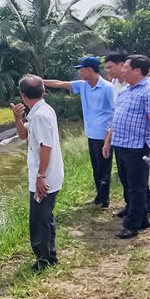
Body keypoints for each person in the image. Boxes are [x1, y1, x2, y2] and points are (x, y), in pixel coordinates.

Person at [103, 55, 150, 239]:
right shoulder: (125, 91)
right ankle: (140, 216)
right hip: (121, 144)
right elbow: (116, 117)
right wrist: (108, 141)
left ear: (137, 70)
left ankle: (132, 225)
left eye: (126, 67)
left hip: (137, 146)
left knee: (137, 186)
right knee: (127, 182)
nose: (122, 71)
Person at [11, 75, 65, 270]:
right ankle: (50, 255)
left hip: (45, 178)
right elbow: (23, 135)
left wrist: (40, 177)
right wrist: (18, 118)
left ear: (23, 95)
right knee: (46, 217)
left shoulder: (41, 115)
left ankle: (44, 260)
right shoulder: (39, 111)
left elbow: (46, 147)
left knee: (38, 221)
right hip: (46, 175)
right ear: (43, 91)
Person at [45, 57, 113, 208]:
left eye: (81, 70)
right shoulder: (83, 86)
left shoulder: (107, 88)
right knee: (96, 166)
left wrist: (109, 136)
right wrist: (39, 82)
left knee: (104, 167)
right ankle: (100, 196)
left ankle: (104, 198)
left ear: (89, 70)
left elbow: (116, 112)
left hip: (104, 134)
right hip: (91, 133)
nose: (80, 73)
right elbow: (60, 84)